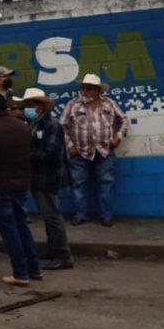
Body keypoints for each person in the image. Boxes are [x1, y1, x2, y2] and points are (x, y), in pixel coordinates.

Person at [0, 92, 41, 286]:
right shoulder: (23, 127)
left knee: (9, 230)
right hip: (20, 185)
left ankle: (20, 272)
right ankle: (34, 268)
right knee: (22, 226)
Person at [60, 73, 129, 227]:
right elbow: (62, 125)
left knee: (106, 183)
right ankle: (80, 215)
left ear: (98, 90)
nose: (85, 92)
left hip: (104, 151)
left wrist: (118, 137)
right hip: (79, 152)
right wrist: (69, 145)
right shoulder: (73, 105)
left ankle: (106, 215)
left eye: (89, 89)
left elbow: (123, 119)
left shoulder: (109, 103)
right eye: (83, 88)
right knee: (78, 184)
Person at [18, 87, 73, 270]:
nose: (26, 108)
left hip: (48, 177)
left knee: (52, 215)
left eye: (29, 105)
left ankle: (63, 255)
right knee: (48, 215)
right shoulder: (34, 124)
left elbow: (49, 152)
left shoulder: (51, 125)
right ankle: (53, 249)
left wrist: (25, 155)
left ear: (39, 106)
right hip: (38, 177)